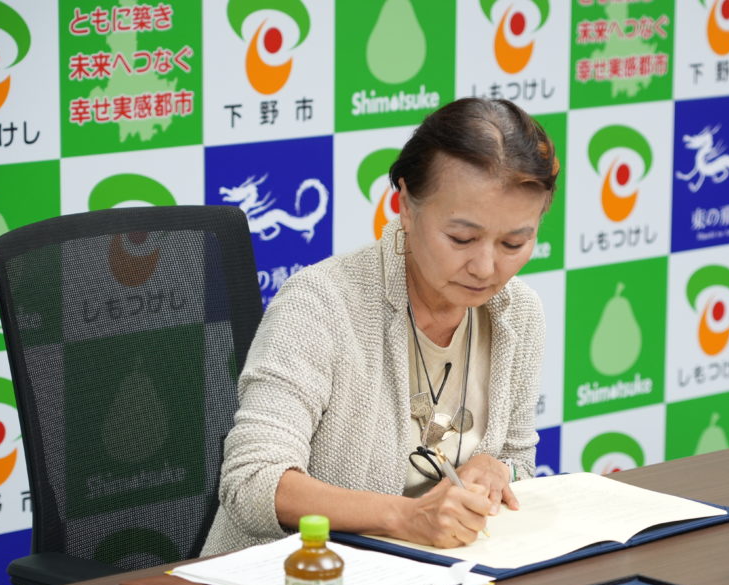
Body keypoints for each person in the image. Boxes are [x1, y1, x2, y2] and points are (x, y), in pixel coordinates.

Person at [201, 98, 556, 556]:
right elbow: (253, 482)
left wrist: (497, 469)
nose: (486, 267)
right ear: (405, 206)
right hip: (294, 577)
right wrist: (407, 517)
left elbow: (518, 461)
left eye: (514, 243)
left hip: (443, 578)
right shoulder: (320, 303)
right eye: (462, 238)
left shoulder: (518, 312)